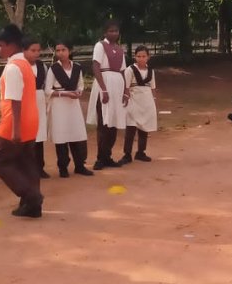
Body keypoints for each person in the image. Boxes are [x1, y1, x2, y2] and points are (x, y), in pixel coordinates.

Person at [0, 24, 43, 218]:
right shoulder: (25, 64)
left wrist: (15, 129)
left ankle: (31, 197)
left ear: (11, 45)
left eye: (0, 45)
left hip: (15, 121)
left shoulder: (13, 67)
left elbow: (15, 101)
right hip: (31, 120)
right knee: (25, 161)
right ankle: (32, 205)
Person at [47, 41, 92, 177]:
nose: (60, 53)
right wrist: (65, 94)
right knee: (61, 135)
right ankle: (63, 167)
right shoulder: (54, 69)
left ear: (70, 51)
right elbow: (48, 90)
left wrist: (78, 92)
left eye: (63, 50)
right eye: (58, 50)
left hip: (73, 106)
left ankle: (80, 165)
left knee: (77, 134)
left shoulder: (77, 67)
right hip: (59, 106)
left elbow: (80, 85)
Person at [87, 20, 127, 170]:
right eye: (111, 31)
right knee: (104, 122)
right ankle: (100, 158)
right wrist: (103, 89)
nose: (114, 33)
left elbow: (123, 71)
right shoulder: (100, 46)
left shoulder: (120, 49)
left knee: (114, 122)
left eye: (116, 31)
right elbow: (96, 66)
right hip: (104, 83)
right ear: (105, 32)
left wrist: (126, 90)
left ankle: (108, 156)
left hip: (117, 85)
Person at [121, 45, 157, 164]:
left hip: (146, 101)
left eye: (144, 56)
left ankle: (141, 152)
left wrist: (154, 100)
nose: (141, 58)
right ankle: (127, 154)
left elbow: (153, 87)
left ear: (148, 57)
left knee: (144, 128)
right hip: (133, 100)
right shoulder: (130, 70)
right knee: (131, 128)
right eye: (138, 56)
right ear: (135, 57)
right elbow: (126, 86)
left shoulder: (150, 71)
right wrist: (126, 98)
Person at [24, 38, 52, 179]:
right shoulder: (18, 66)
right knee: (26, 137)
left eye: (38, 50)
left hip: (39, 101)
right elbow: (1, 85)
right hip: (25, 101)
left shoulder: (42, 66)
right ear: (24, 51)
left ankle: (39, 167)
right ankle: (26, 169)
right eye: (32, 50)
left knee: (39, 136)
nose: (36, 53)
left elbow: (46, 85)